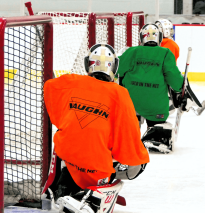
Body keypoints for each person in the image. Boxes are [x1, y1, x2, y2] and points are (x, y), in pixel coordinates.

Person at [43, 43, 150, 212]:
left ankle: (61, 185)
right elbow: (129, 139)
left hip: (68, 159)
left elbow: (49, 86)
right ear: (114, 67)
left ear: (88, 64)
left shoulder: (71, 81)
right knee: (140, 158)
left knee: (64, 135)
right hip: (97, 168)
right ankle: (95, 190)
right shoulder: (120, 94)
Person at [115, 23, 189, 153]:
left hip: (131, 104)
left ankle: (130, 136)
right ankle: (156, 134)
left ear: (141, 38)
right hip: (156, 106)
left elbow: (116, 70)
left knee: (130, 120)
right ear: (159, 38)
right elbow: (175, 80)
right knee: (156, 118)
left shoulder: (132, 52)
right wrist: (182, 87)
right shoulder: (165, 53)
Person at [155, 19, 180, 115]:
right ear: (165, 30)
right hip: (166, 76)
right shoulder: (171, 44)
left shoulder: (156, 43)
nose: (171, 31)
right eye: (169, 29)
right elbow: (171, 64)